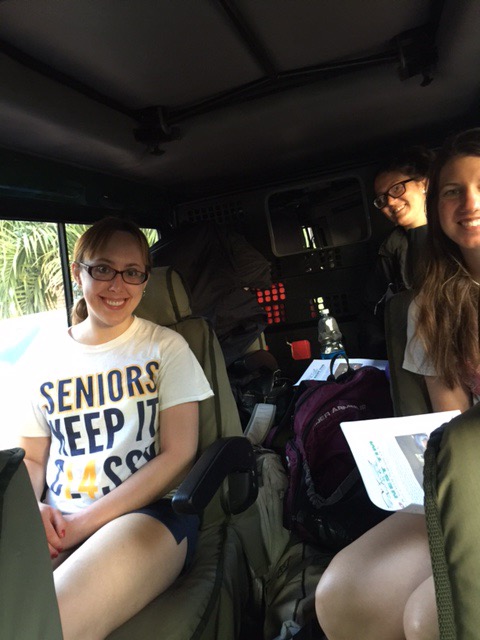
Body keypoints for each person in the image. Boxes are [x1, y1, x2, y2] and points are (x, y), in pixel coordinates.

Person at [315, 128, 480, 640]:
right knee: (343, 594)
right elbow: (451, 421)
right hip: (472, 475)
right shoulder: (431, 306)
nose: (469, 202)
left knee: (430, 617)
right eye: (453, 190)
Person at [17, 217, 214, 639]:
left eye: (132, 272)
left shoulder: (165, 348)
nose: (117, 285)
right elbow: (32, 459)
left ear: (145, 281)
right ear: (78, 273)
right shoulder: (40, 359)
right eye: (103, 269)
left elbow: (179, 454)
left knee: (49, 623)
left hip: (149, 515)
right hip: (57, 519)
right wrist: (33, 510)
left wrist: (81, 525)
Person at [359, 146, 434, 358]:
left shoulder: (460, 231)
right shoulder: (390, 249)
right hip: (417, 354)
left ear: (424, 184)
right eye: (382, 199)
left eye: (397, 189)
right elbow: (372, 312)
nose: (390, 202)